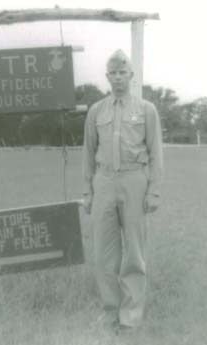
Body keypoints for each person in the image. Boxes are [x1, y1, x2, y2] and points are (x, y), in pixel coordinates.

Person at [82, 50, 163, 331]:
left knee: (134, 253)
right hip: (103, 182)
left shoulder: (146, 109)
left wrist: (153, 190)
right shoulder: (96, 111)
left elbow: (156, 153)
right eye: (113, 73)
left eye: (122, 72)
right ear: (107, 77)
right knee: (104, 254)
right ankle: (110, 312)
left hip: (134, 181)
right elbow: (88, 152)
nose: (118, 78)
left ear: (131, 75)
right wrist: (88, 191)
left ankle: (131, 316)